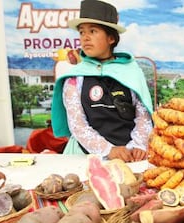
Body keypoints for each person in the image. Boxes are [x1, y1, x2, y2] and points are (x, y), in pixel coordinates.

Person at [51, 0, 153, 162]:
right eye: (82, 32)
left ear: (111, 38)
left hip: (131, 155)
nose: (85, 38)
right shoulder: (74, 78)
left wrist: (138, 145)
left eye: (93, 31)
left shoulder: (132, 72)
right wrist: (108, 150)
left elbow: (143, 115)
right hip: (87, 156)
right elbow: (77, 124)